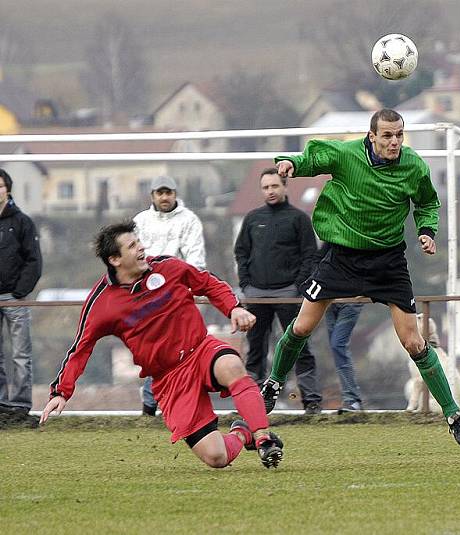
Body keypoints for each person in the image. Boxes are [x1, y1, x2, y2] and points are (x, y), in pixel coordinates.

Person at [261, 108, 460, 446]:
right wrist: (290, 164)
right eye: (387, 135)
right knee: (301, 328)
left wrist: (427, 230)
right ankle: (272, 384)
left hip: (387, 263)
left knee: (414, 342)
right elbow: (312, 158)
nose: (394, 142)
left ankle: (452, 413)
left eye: (399, 135)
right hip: (341, 257)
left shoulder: (414, 165)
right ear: (371, 136)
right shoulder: (347, 155)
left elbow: (427, 202)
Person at [39, 221, 283, 469]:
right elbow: (81, 348)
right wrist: (61, 392)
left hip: (200, 350)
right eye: (132, 246)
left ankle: (264, 439)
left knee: (232, 366)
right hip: (169, 379)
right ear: (115, 259)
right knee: (216, 457)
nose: (141, 248)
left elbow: (208, 283)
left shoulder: (168, 267)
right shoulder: (102, 303)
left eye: (139, 242)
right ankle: (243, 432)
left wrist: (233, 308)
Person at [234, 167, 323, 415]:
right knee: (255, 349)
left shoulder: (299, 219)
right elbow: (241, 252)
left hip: (288, 293)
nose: (270, 191)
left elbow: (310, 255)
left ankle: (312, 400)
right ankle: (252, 402)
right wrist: (246, 284)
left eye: (274, 186)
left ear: (284, 187)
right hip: (256, 295)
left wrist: (298, 286)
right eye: (265, 187)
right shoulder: (252, 218)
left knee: (299, 345)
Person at [133, 175, 206, 416]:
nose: (164, 197)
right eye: (160, 193)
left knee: (183, 352)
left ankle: (180, 406)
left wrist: (182, 289)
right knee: (154, 353)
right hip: (147, 298)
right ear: (152, 195)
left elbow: (196, 260)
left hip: (177, 297)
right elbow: (131, 258)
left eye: (168, 192)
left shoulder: (190, 221)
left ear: (175, 194)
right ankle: (150, 405)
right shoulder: (140, 222)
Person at [0, 169, 42, 418]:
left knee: (20, 353)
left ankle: (19, 406)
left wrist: (19, 292)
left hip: (15, 299)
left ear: (8, 189)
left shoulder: (22, 222)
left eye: (0, 186)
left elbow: (34, 260)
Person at [324, 296, 365, 413]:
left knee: (338, 345)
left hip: (351, 300)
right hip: (328, 300)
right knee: (336, 348)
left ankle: (352, 399)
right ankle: (351, 399)